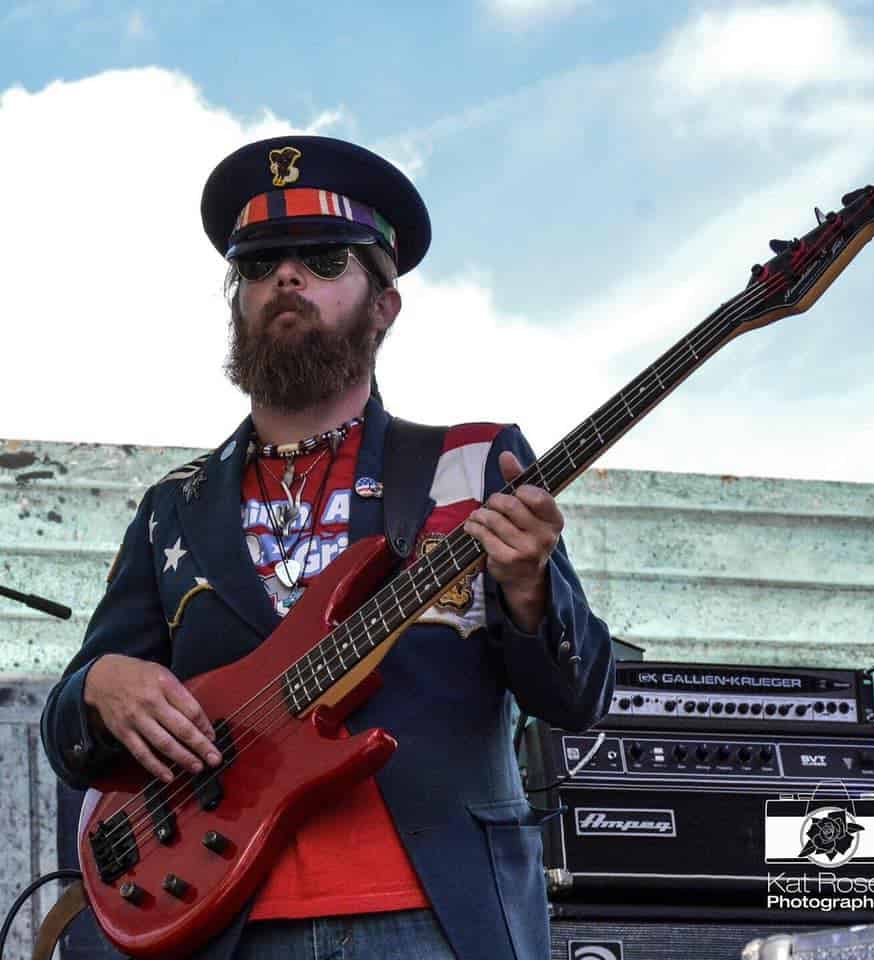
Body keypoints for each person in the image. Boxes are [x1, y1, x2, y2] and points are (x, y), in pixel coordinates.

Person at [40, 135, 614, 960]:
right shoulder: (174, 509)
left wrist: (528, 589)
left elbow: (578, 697)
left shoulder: (472, 465)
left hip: (435, 919)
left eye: (324, 258)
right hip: (218, 925)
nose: (286, 275)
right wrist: (99, 684)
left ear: (385, 304)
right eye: (259, 262)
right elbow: (71, 730)